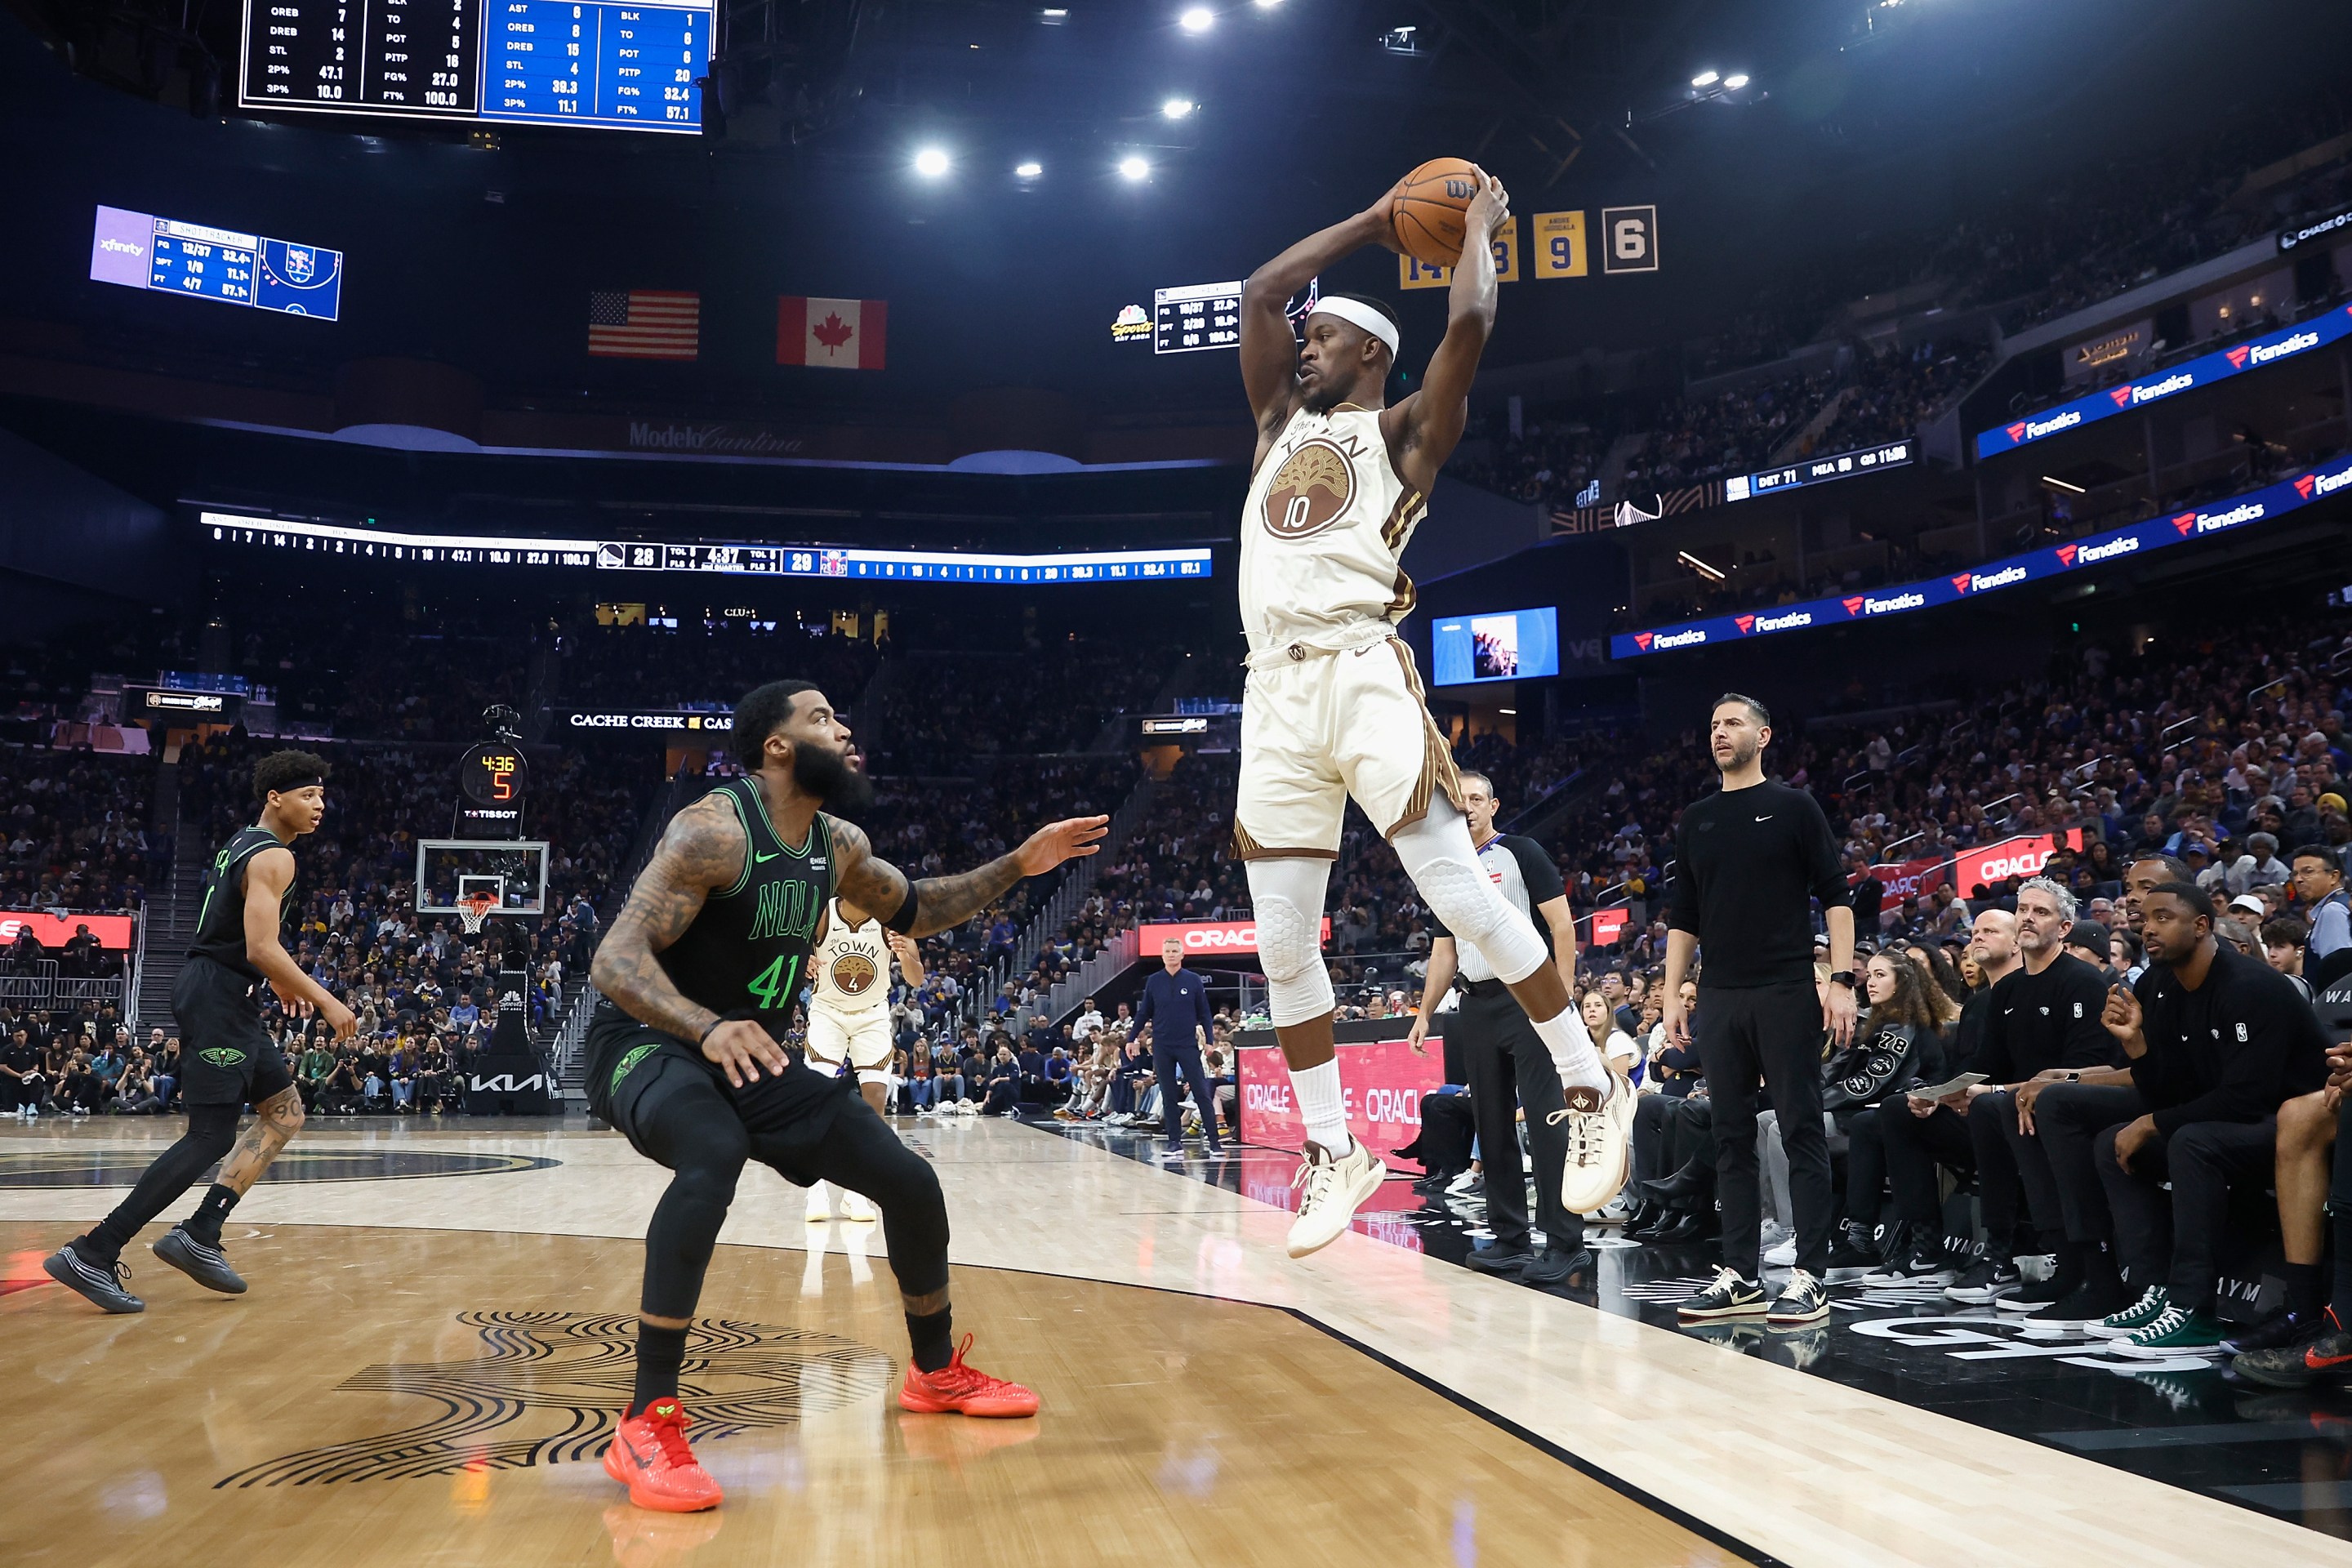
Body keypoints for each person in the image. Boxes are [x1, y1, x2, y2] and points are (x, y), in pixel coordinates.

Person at [1231, 166, 1627, 1260]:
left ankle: (1590, 1083)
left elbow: (1469, 323)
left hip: (1360, 667)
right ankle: (1333, 1149)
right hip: (1271, 689)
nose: (1303, 348)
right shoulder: (1277, 423)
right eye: (1304, 340)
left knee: (1458, 891)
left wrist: (1479, 230)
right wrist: (1372, 220)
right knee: (1280, 942)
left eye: (1324, 340)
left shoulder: (1405, 434)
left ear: (1370, 352)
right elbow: (1263, 291)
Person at [582, 679, 1102, 1512]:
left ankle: (934, 1372)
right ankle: (647, 1421)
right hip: (648, 1040)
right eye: (822, 718)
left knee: (908, 1178)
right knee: (712, 1151)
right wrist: (706, 1026)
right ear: (778, 746)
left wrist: (1020, 863)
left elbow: (918, 909)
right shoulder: (712, 831)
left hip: (749, 1055)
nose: (845, 729)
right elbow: (614, 959)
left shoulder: (839, 844)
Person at [44, 751, 357, 1312]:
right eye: (308, 796)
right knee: (210, 1135)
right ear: (275, 798)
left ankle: (201, 1232)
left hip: (229, 993)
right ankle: (93, 1251)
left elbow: (244, 938)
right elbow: (260, 946)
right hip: (218, 995)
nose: (319, 806)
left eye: (322, 797)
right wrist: (326, 999)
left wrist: (272, 978)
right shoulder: (276, 856)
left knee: (284, 1112)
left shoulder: (242, 842)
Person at [1661, 694, 1856, 1327]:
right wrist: (1671, 990)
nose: (1720, 732)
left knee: (1800, 1128)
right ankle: (1740, 1274)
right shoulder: (1696, 819)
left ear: (1763, 736)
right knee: (1729, 1134)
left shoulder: (1795, 807)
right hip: (1719, 993)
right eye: (1714, 724)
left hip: (1784, 988)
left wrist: (1842, 980)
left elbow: (1837, 897)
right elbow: (1684, 916)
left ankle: (1810, 1275)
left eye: (1733, 723)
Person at [2087, 882, 2328, 1354]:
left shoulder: (2249, 986)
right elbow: (2172, 1089)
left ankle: (2193, 1311)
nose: (2147, 928)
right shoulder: (2167, 987)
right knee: (2112, 1144)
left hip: (2299, 1126)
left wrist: (2152, 1122)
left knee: (2191, 1142)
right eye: (2145, 919)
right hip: (2238, 1121)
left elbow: (2247, 1098)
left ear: (2201, 926)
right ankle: (2157, 1290)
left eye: (2163, 918)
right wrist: (2136, 1044)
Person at [1886, 884, 2114, 1303]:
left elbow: (2083, 1072)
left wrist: (1990, 1090)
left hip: (2059, 1109)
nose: (2027, 917)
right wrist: (1941, 1094)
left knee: (1992, 1106)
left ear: (2064, 928)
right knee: (1899, 1110)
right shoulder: (2007, 990)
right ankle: (1926, 1249)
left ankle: (2000, 1256)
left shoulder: (2083, 982)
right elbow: (1986, 1062)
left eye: (2040, 912)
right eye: (2023, 909)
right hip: (2002, 1109)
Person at [1407, 770, 1585, 1286]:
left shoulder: (1521, 852)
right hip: (1476, 1005)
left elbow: (1561, 925)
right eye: (1459, 801)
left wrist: (1561, 997)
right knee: (1492, 1123)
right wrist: (1424, 1012)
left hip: (1528, 998)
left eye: (1476, 799)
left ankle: (1565, 1242)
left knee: (1547, 1120)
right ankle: (1510, 1237)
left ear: (1493, 805)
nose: (1467, 808)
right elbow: (1444, 952)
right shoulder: (1446, 870)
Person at [802, 889, 927, 1223]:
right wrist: (802, 959)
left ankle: (856, 1193)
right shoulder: (822, 914)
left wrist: (904, 955)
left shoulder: (892, 921)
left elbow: (916, 978)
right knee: (816, 1098)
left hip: (871, 1014)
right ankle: (815, 1189)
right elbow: (788, 948)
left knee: (875, 1100)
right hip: (828, 1012)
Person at [1135, 938, 1224, 1159]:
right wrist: (1131, 1038)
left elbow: (1204, 1013)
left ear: (1182, 955)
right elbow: (1144, 1012)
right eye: (1168, 951)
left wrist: (1209, 1040)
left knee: (1202, 1093)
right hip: (1162, 1045)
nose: (1171, 954)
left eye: (1175, 951)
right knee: (1168, 1095)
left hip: (1187, 1045)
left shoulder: (1193, 980)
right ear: (1162, 955)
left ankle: (1215, 1143)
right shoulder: (1154, 981)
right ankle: (1174, 1143)